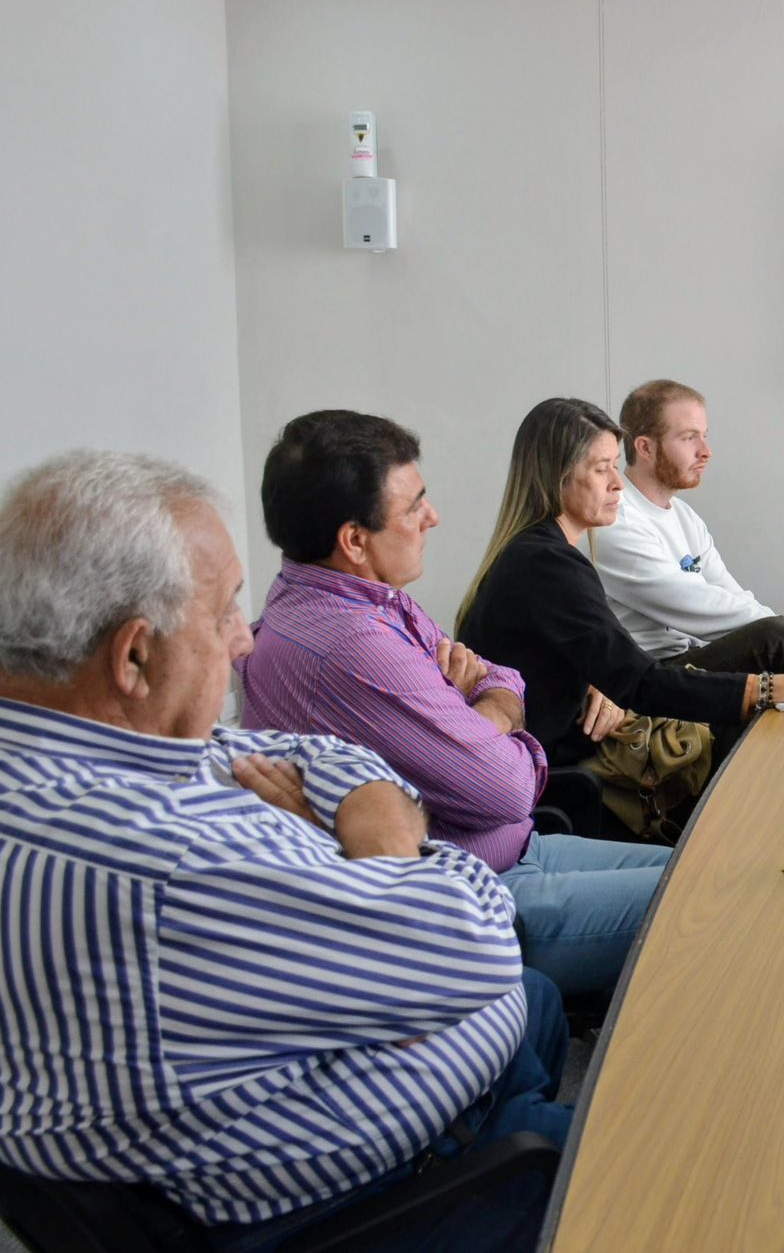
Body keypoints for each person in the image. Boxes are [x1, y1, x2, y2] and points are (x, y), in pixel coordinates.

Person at [0, 450, 571, 1251]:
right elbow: (476, 944)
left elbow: (322, 755)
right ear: (134, 656)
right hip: (384, 1197)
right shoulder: (156, 864)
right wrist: (377, 854)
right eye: (227, 610)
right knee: (669, 1151)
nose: (244, 642)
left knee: (535, 1006)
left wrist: (364, 852)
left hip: (356, 1076)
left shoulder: (96, 745)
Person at [241, 410, 668, 999]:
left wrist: (484, 707)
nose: (432, 518)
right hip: (478, 895)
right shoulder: (352, 642)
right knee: (724, 903)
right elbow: (510, 789)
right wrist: (489, 712)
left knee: (717, 868)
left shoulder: (360, 598)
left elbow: (498, 675)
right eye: (414, 506)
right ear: (354, 540)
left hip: (516, 848)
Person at [455, 398, 784, 771]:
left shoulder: (539, 553)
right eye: (602, 470)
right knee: (766, 669)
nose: (617, 483)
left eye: (615, 466)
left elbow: (587, 662)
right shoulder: (547, 563)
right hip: (556, 759)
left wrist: (596, 682)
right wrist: (778, 688)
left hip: (576, 728)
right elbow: (641, 683)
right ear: (556, 478)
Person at [590, 379, 784, 674]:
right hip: (648, 672)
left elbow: (730, 595)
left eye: (704, 436)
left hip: (689, 653)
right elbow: (698, 607)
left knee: (781, 638)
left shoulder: (684, 516)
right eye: (688, 438)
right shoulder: (614, 521)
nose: (706, 451)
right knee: (777, 639)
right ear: (645, 447)